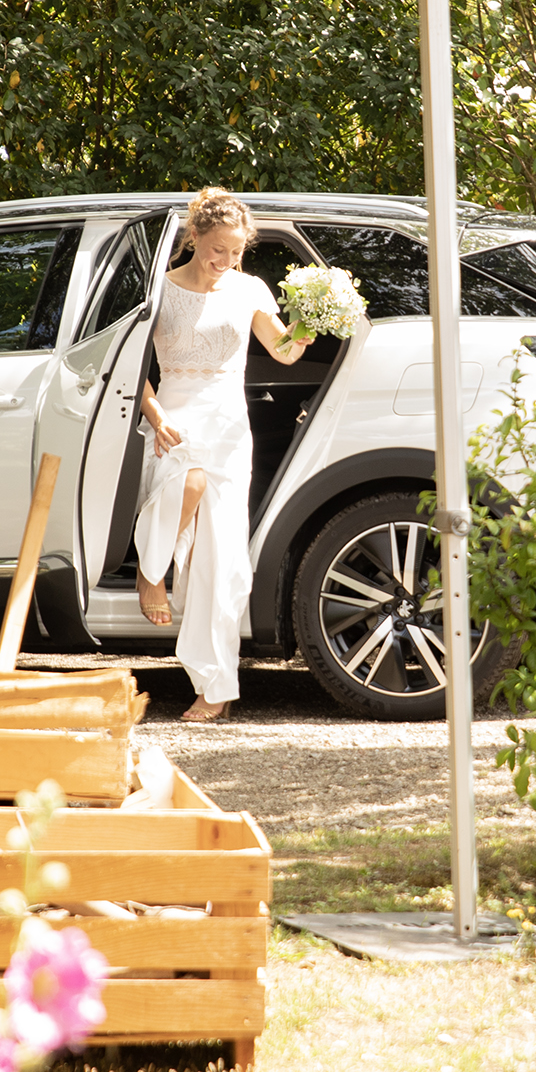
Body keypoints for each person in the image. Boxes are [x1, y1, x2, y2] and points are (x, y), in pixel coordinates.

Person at [134, 189, 315, 720]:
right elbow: (129, 368)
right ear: (194, 237)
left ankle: (214, 687)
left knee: (223, 558)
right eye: (217, 249)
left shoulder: (249, 288)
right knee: (186, 482)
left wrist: (310, 322)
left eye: (236, 251)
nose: (226, 260)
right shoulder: (160, 289)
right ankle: (152, 570)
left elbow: (283, 350)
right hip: (173, 418)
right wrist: (156, 416)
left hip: (230, 426)